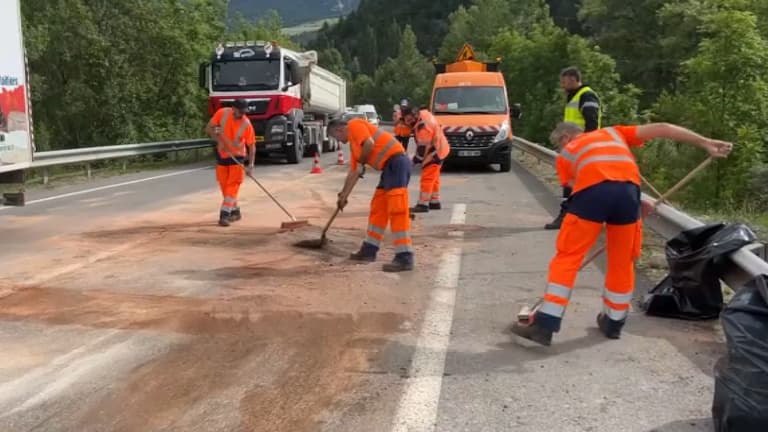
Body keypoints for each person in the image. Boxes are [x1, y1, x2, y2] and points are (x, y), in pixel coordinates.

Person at [511, 121, 733, 346]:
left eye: (559, 144)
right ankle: (613, 322)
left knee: (568, 257)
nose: (560, 148)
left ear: (565, 138)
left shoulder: (566, 154)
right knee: (622, 260)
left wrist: (603, 208)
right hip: (628, 195)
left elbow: (581, 188)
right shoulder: (613, 133)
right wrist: (705, 142)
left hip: (591, 196)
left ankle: (545, 323)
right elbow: (662, 128)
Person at [327, 117, 414, 272]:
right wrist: (343, 195)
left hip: (397, 163)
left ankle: (405, 256)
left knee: (397, 210)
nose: (338, 141)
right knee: (378, 208)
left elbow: (369, 143)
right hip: (388, 168)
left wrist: (362, 162)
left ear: (339, 129)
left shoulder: (354, 124)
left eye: (336, 137)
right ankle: (369, 250)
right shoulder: (354, 147)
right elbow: (354, 172)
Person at [546, 67, 602, 230]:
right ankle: (580, 217)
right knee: (575, 183)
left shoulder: (586, 95)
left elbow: (591, 122)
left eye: (564, 82)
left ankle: (567, 217)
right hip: (575, 147)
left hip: (582, 147)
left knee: (572, 184)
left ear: (572, 79)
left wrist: (584, 145)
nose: (562, 85)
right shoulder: (575, 96)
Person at [204, 99, 256, 227]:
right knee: (225, 188)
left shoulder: (246, 124)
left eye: (244, 111)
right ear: (233, 108)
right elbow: (209, 128)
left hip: (237, 158)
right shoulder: (222, 113)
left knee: (231, 187)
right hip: (222, 157)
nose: (243, 114)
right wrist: (218, 140)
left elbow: (252, 145)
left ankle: (224, 215)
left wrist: (250, 165)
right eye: (240, 111)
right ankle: (235, 211)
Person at [402, 104, 450, 212]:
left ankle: (423, 204)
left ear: (414, 115)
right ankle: (434, 201)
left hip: (434, 153)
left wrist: (412, 163)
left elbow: (421, 152)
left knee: (427, 178)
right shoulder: (424, 114)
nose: (408, 123)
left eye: (409, 120)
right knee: (434, 177)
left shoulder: (422, 128)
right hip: (441, 148)